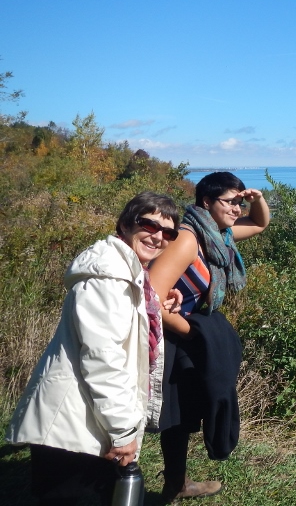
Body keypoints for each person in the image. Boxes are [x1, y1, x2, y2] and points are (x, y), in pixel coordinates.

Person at [5, 192, 183, 506]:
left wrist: (154, 303)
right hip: (73, 427)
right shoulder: (107, 278)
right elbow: (103, 358)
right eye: (148, 224)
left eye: (167, 232)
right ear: (127, 224)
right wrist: (123, 431)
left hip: (87, 417)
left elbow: (123, 327)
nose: (157, 237)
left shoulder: (127, 274)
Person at [148, 172, 269, 502]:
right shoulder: (188, 239)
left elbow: (259, 224)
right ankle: (120, 477)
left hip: (184, 329)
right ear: (206, 202)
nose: (235, 208)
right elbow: (152, 301)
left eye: (238, 202)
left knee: (184, 411)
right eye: (230, 202)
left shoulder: (217, 234)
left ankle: (176, 482)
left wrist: (256, 200)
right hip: (169, 333)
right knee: (172, 414)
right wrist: (195, 333)